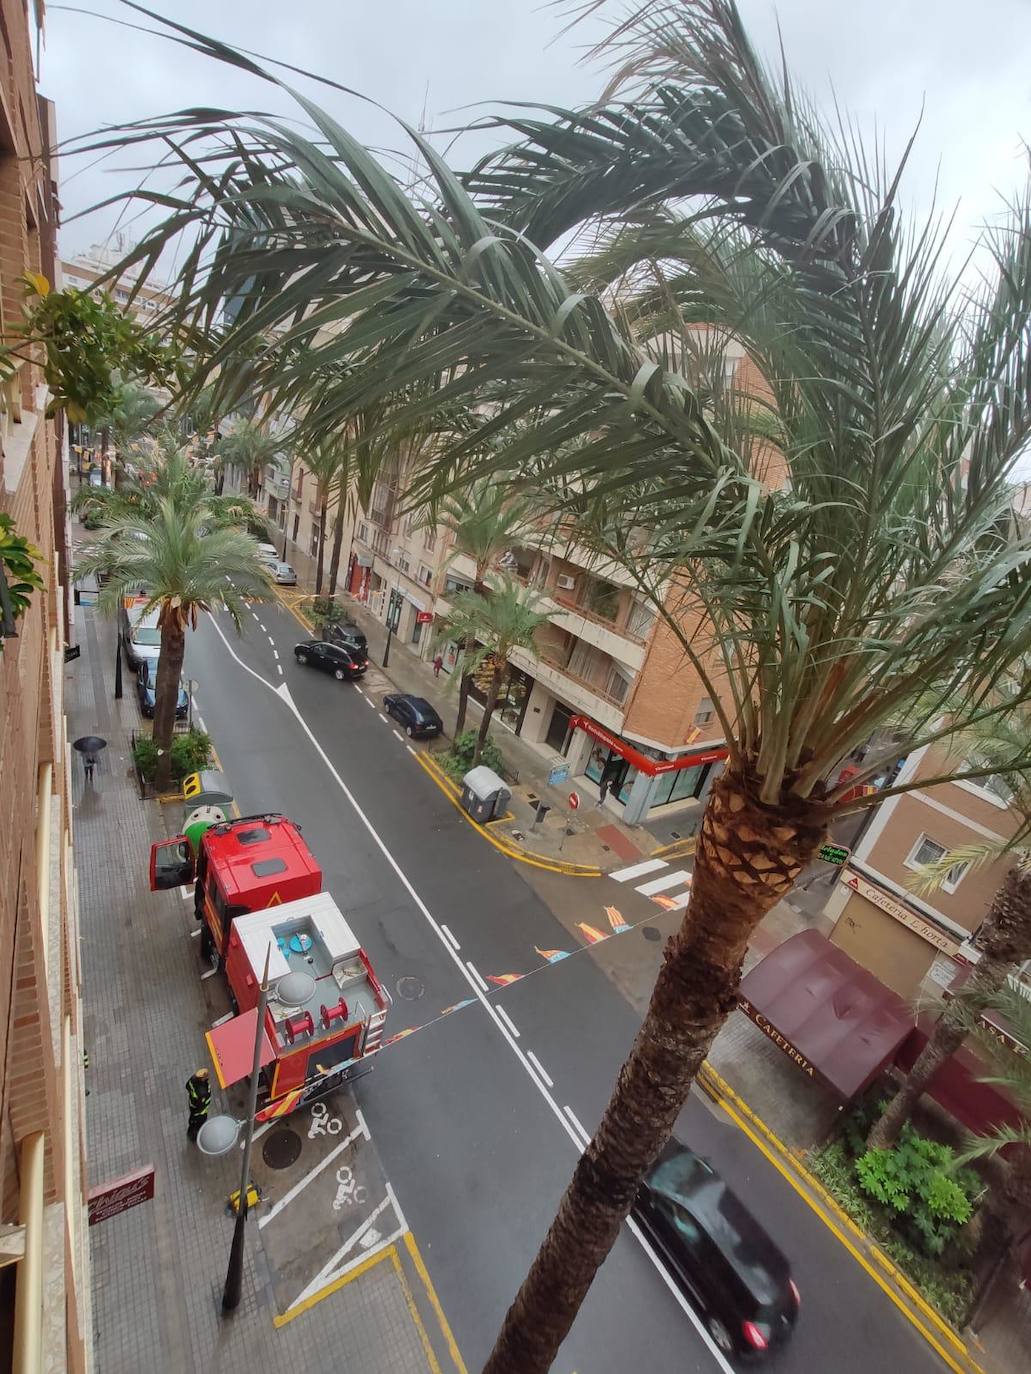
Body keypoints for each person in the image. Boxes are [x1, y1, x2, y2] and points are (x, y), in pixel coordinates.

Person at [185, 1068, 211, 1142]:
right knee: (198, 1123)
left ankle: (192, 1126)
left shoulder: (193, 1080)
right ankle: (194, 1136)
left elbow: (187, 1086)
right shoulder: (202, 1091)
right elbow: (200, 1106)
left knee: (193, 1120)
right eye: (206, 1076)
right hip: (200, 1113)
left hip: (192, 1106)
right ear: (202, 1078)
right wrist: (195, 1114)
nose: (208, 1077)